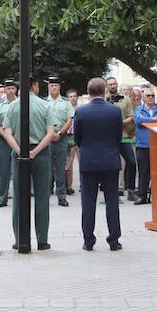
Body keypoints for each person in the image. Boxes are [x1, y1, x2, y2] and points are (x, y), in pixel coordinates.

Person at [3, 77, 57, 251]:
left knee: (19, 197)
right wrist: (35, 151)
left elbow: (7, 133)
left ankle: (20, 239)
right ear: (34, 85)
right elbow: (50, 133)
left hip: (18, 154)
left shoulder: (12, 106)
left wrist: (19, 151)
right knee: (42, 197)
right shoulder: (45, 105)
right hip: (40, 155)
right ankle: (42, 240)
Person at [72, 76, 123, 251]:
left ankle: (88, 241)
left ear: (88, 92)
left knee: (88, 202)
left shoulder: (81, 112)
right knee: (112, 201)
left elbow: (77, 137)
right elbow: (118, 136)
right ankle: (114, 240)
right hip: (110, 160)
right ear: (104, 91)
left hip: (89, 161)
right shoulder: (115, 111)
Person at [132, 86, 157, 205]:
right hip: (142, 145)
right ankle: (142, 195)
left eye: (152, 95)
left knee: (156, 172)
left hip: (156, 145)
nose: (151, 98)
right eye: (148, 96)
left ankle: (155, 194)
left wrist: (149, 121)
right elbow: (138, 120)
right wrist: (152, 120)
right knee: (143, 171)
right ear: (143, 97)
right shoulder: (138, 109)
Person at [106, 77, 138, 200]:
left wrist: (121, 122)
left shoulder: (126, 100)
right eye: (110, 84)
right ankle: (112, 192)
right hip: (109, 138)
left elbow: (132, 116)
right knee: (111, 166)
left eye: (114, 84)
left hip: (124, 137)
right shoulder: (104, 100)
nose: (113, 86)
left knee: (131, 161)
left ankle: (131, 191)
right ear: (107, 86)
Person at [45, 76, 73, 206]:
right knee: (47, 168)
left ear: (59, 87)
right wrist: (50, 134)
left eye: (56, 85)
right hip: (47, 138)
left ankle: (61, 196)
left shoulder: (66, 103)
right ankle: (45, 194)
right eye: (51, 85)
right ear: (48, 87)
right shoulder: (44, 102)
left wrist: (60, 133)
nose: (54, 87)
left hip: (62, 137)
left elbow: (69, 120)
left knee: (61, 168)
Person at [0, 79, 18, 207]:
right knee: (4, 169)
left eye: (13, 88)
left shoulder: (21, 103)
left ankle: (20, 197)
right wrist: (6, 136)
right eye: (8, 88)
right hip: (4, 140)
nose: (10, 91)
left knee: (20, 168)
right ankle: (2, 198)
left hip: (18, 139)